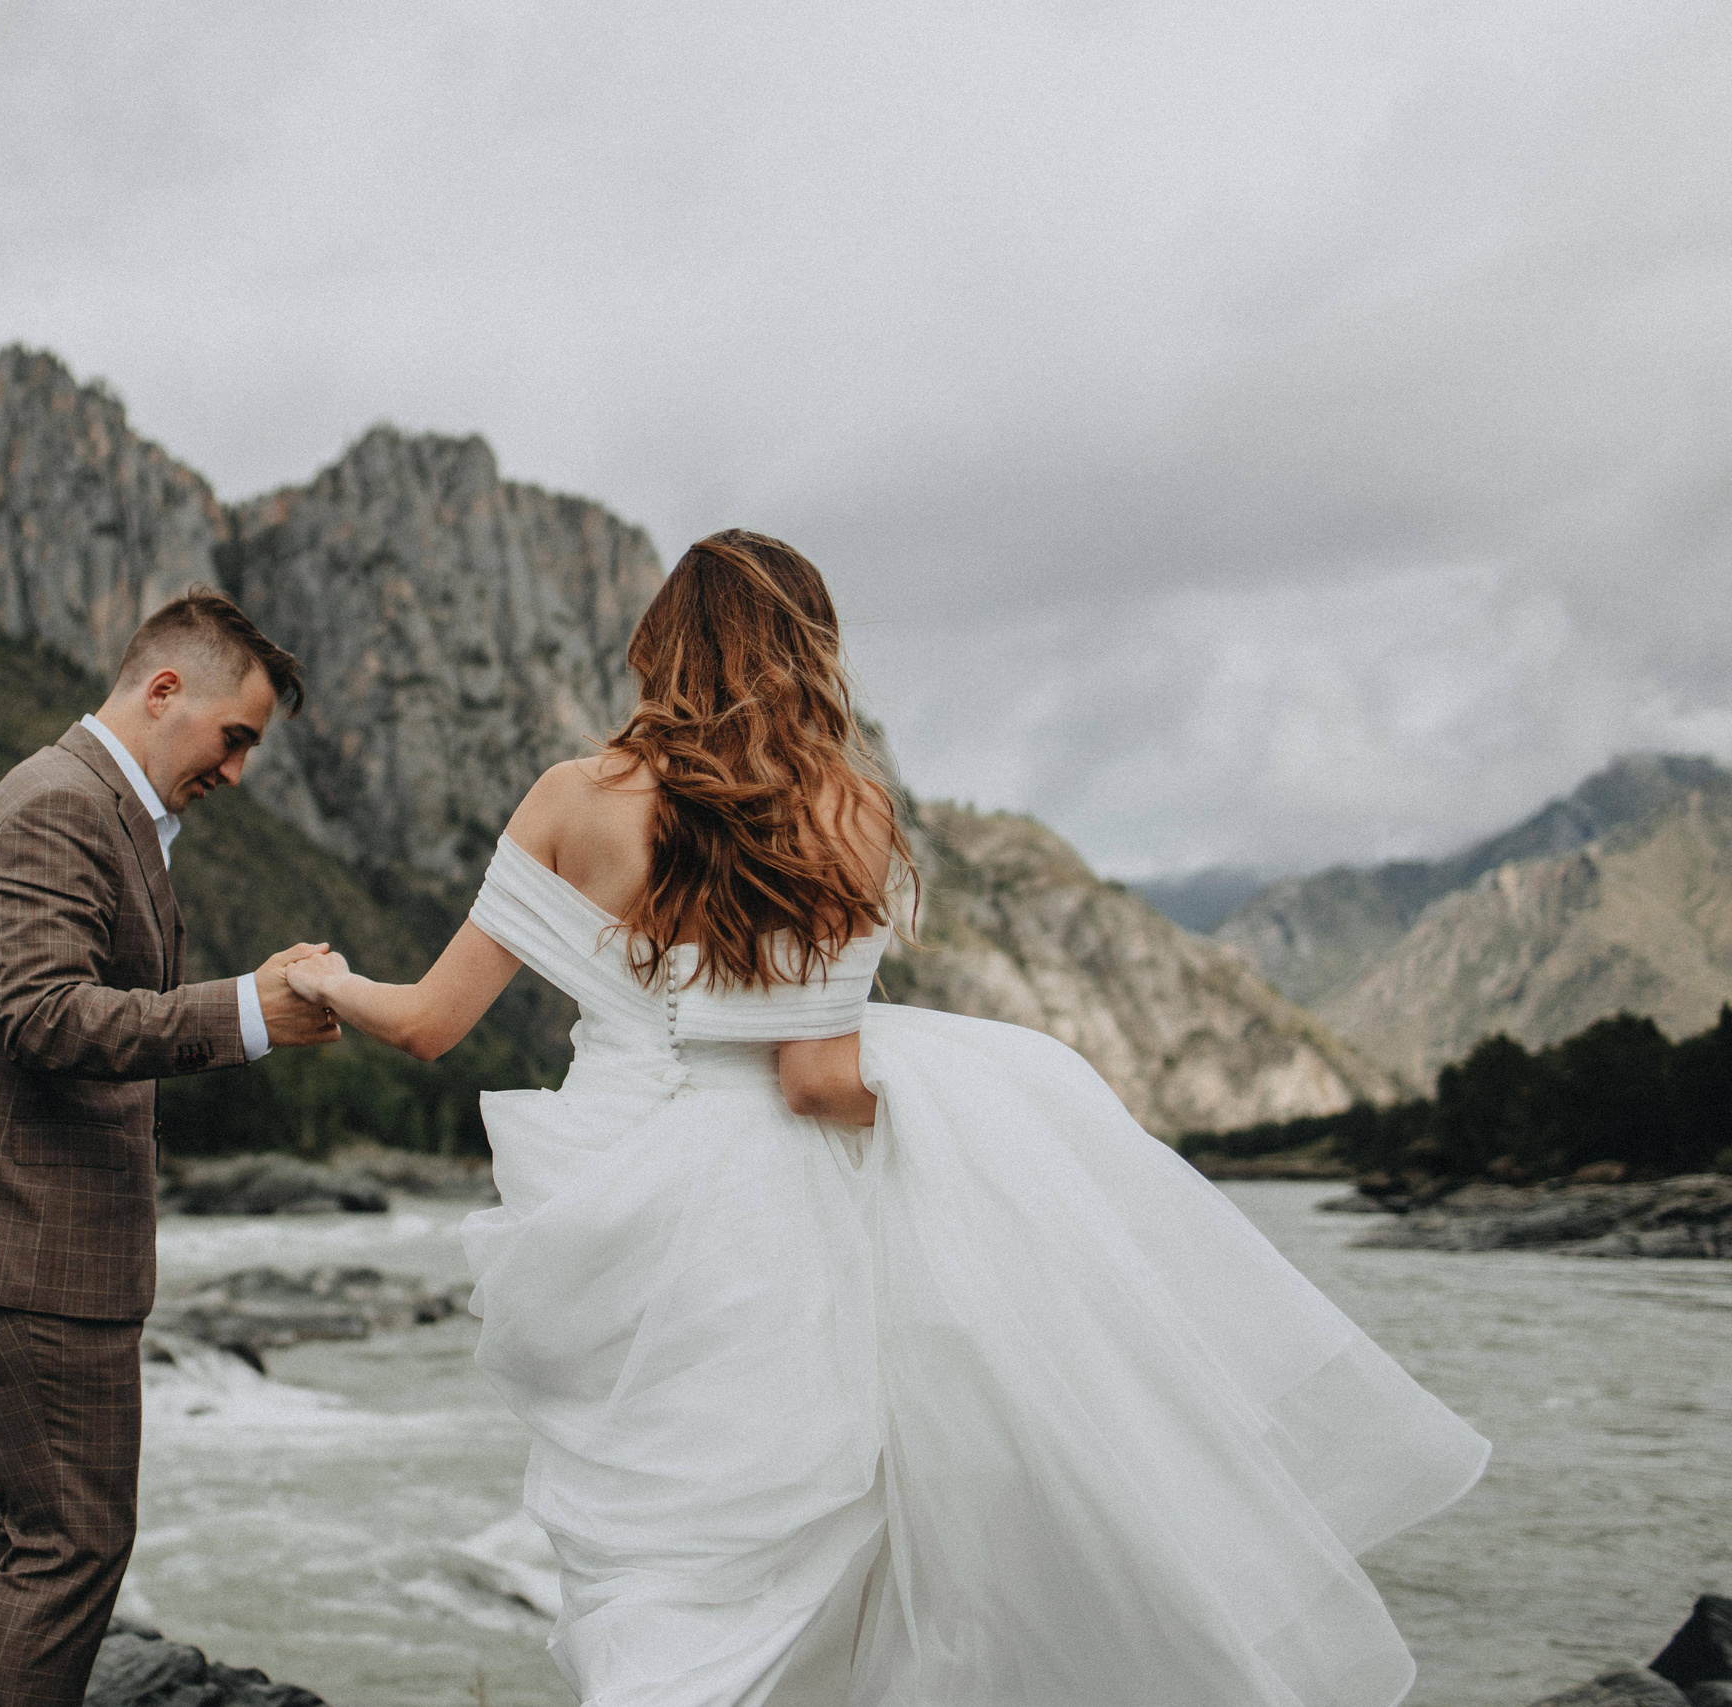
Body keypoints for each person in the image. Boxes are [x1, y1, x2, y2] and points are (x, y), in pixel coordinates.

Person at [283, 531, 1489, 1707]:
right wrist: (974, 1102)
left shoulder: (571, 797)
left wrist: (329, 982)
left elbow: (430, 1023)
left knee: (652, 1553)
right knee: (791, 1550)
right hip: (778, 1220)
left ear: (661, 647)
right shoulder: (841, 812)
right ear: (807, 649)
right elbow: (814, 1081)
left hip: (610, 1211)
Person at [0, 587, 341, 1707]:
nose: (237, 773)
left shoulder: (97, 809)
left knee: (43, 1539)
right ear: (164, 690)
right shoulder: (58, 808)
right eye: (236, 738)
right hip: (14, 1242)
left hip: (17, 1235)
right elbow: (46, 1016)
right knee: (71, 1547)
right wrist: (250, 1011)